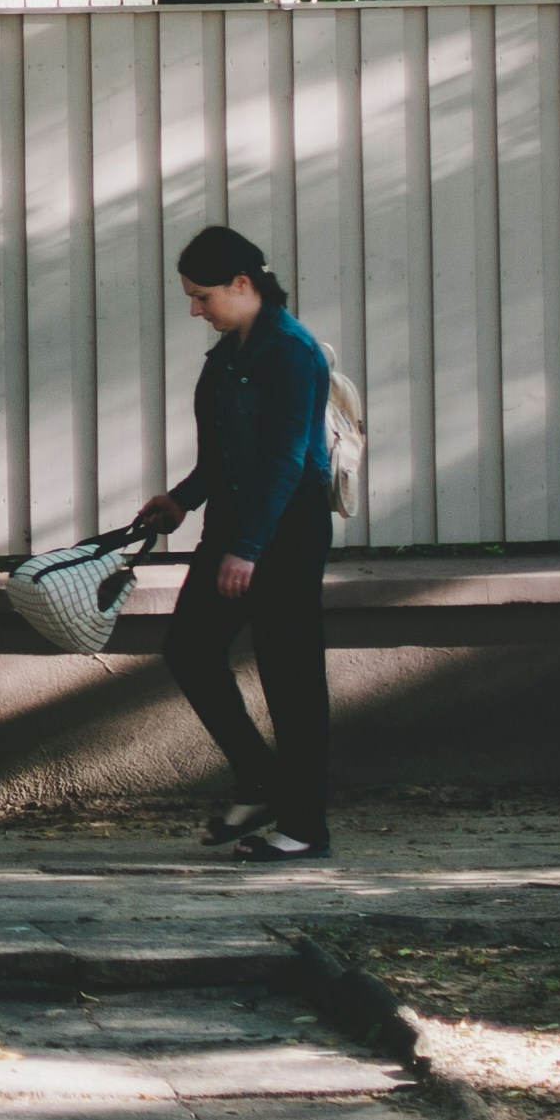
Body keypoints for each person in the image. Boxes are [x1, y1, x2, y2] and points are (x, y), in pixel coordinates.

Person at [126, 223, 337, 861]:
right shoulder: (231, 353)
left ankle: (304, 826)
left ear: (243, 284)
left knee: (290, 675)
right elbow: (228, 452)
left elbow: (282, 459)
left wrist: (247, 548)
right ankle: (261, 779)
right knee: (189, 649)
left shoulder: (292, 352)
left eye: (203, 297)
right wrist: (182, 500)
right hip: (236, 527)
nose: (195, 310)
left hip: (287, 532)